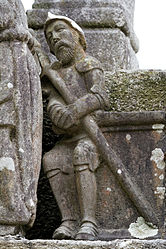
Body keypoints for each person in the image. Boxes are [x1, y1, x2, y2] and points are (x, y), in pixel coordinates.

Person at [38, 12, 109, 240]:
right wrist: (57, 113)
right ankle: (68, 220)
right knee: (51, 159)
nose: (55, 38)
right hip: (69, 136)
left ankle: (89, 221)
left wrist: (75, 109)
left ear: (77, 35)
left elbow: (100, 96)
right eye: (49, 37)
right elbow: (55, 102)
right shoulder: (55, 74)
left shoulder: (88, 64)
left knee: (83, 152)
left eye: (60, 30)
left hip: (92, 136)